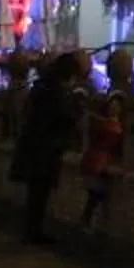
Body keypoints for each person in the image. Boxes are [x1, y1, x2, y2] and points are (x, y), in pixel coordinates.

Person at [12, 55, 83, 244]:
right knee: (39, 192)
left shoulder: (42, 87)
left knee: (36, 193)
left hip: (35, 146)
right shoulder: (55, 92)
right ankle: (34, 232)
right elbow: (63, 117)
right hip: (44, 148)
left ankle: (32, 230)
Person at [74, 91, 124, 237]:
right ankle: (87, 221)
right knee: (94, 193)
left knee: (98, 194)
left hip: (106, 160)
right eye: (112, 105)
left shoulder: (115, 123)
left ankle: (90, 221)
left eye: (117, 106)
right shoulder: (103, 123)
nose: (113, 108)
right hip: (99, 160)